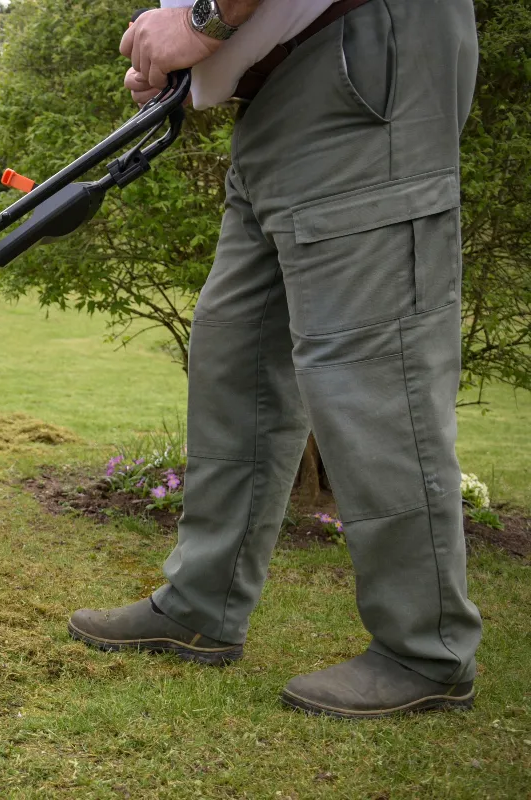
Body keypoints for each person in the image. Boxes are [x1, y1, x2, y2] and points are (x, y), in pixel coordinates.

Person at [67, 0, 483, 718]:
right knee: (236, 354)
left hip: (361, 61)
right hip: (280, 100)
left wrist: (202, 21)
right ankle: (202, 603)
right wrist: (193, 60)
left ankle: (425, 649)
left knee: (369, 365)